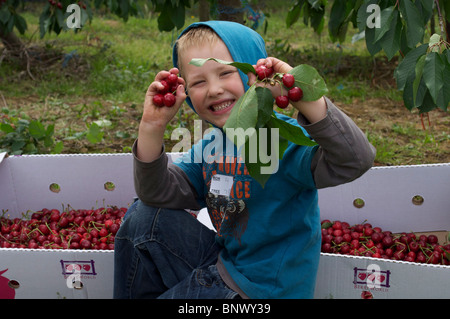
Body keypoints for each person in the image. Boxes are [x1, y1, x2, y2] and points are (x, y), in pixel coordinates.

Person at [113, 20, 376, 299]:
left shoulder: (284, 140)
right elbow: (155, 192)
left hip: (262, 292)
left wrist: (299, 93)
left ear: (255, 75)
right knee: (145, 215)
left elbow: (354, 160)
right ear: (187, 95)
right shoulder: (212, 146)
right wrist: (151, 127)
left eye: (226, 72)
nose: (213, 89)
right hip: (223, 269)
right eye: (199, 82)